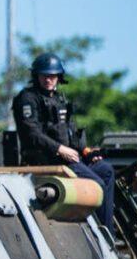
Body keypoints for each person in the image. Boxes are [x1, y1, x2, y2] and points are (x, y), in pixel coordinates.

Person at [12, 52, 115, 232]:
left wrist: (87, 152)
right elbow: (31, 133)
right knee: (96, 184)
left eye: (52, 76)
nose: (48, 79)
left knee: (106, 171)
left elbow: (71, 132)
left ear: (59, 77)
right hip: (49, 160)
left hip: (69, 159)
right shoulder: (27, 99)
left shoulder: (58, 99)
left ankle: (108, 228)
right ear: (37, 76)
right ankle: (104, 235)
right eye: (44, 75)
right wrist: (59, 149)